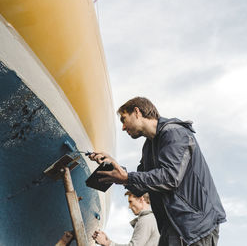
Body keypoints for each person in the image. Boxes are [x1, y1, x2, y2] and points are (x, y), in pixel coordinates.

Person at [89, 97, 226, 246]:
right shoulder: (149, 148)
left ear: (137, 112)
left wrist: (127, 177)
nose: (122, 127)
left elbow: (170, 177)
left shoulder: (175, 133)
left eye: (123, 119)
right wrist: (115, 168)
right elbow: (140, 185)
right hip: (171, 227)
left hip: (194, 226)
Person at [92, 192, 159, 246]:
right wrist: (107, 241)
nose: (129, 207)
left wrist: (108, 244)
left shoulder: (146, 219)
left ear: (141, 199)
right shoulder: (153, 218)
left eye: (130, 202)